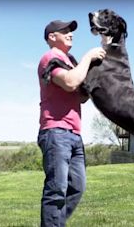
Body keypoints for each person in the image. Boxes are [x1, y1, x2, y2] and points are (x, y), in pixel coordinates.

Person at [37, 20, 106, 226]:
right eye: (65, 31)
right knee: (57, 189)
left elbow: (81, 96)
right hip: (55, 131)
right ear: (52, 37)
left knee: (77, 187)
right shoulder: (50, 58)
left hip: (74, 134)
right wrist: (88, 57)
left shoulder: (71, 61)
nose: (71, 34)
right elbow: (69, 82)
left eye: (71, 31)